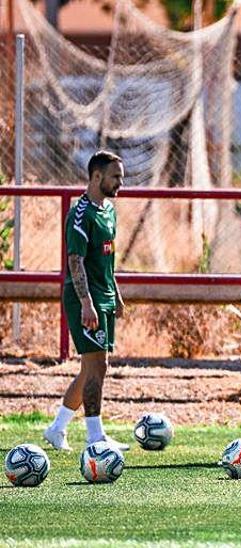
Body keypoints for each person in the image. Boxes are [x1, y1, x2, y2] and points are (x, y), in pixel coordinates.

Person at [43, 151, 131, 452]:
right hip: (86, 300)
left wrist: (115, 295)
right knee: (97, 366)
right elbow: (75, 261)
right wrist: (86, 303)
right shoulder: (80, 214)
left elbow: (105, 260)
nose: (121, 182)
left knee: (92, 368)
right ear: (96, 177)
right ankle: (95, 437)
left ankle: (57, 429)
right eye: (116, 176)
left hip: (104, 298)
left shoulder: (109, 211)